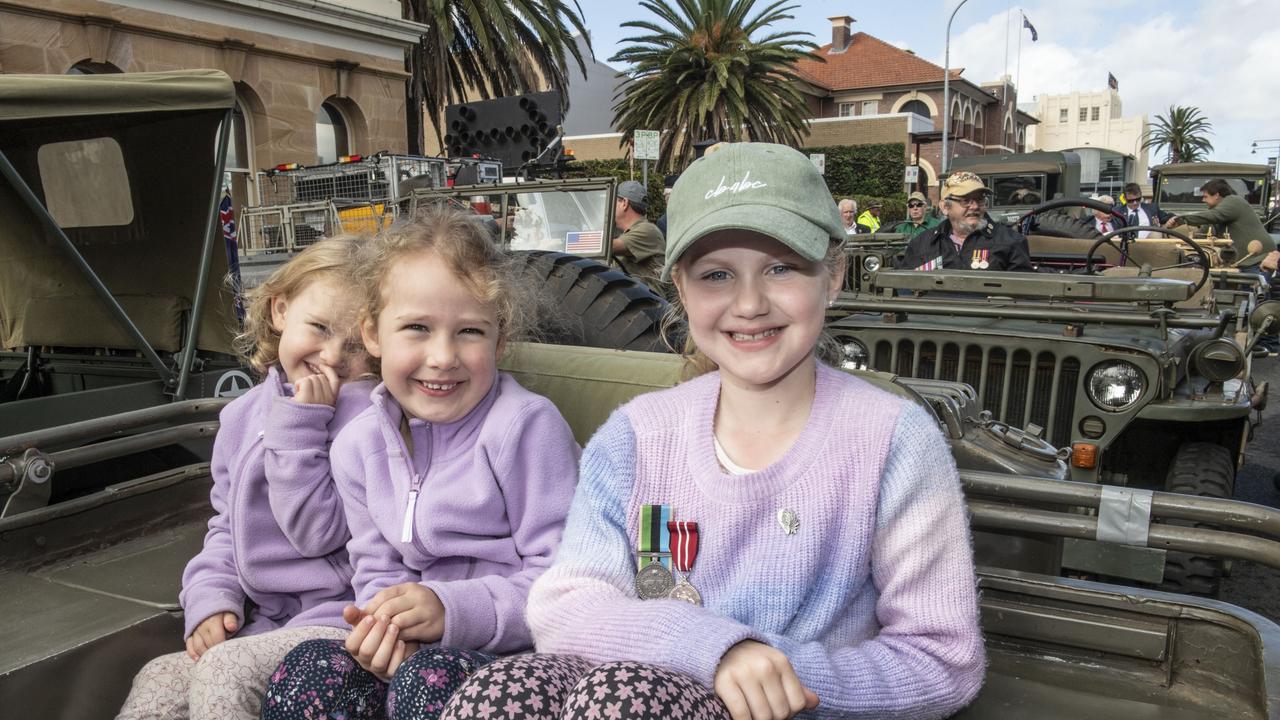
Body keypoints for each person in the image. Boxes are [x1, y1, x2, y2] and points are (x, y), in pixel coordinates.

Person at [437, 143, 985, 720]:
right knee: (496, 694)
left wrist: (777, 676)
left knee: (627, 698)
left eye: (782, 267)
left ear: (834, 274)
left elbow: (941, 659)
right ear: (680, 285)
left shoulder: (893, 441)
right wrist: (710, 651)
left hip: (787, 708)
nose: (749, 303)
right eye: (717, 275)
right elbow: (566, 604)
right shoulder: (634, 437)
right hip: (629, 690)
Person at [260, 207, 581, 720]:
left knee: (424, 684)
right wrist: (385, 629)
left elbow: (565, 577)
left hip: (511, 658)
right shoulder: (357, 445)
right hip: (414, 652)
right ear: (372, 335)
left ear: (500, 341)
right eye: (416, 328)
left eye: (470, 332)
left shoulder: (525, 428)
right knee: (310, 672)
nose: (442, 356)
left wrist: (449, 611)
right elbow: (374, 566)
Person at [116, 238, 376, 720]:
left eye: (358, 344)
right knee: (157, 679)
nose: (334, 357)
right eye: (318, 328)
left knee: (228, 671)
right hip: (264, 621)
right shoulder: (243, 415)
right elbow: (226, 528)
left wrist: (302, 427)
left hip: (341, 617)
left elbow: (320, 532)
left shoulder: (369, 419)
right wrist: (211, 599)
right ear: (280, 312)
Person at [898, 172, 1034, 272]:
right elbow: (905, 289)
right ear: (945, 207)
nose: (974, 206)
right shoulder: (922, 243)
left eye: (980, 200)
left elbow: (1021, 296)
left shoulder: (1011, 241)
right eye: (965, 201)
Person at [1165, 178, 1277, 268]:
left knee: (1253, 290)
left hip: (1258, 258)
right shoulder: (1216, 211)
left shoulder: (1233, 201)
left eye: (1205, 196)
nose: (1203, 200)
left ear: (1217, 195)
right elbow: (1202, 232)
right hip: (1243, 260)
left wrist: (1181, 220)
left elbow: (1214, 216)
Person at [612, 180, 666, 290]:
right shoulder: (627, 232)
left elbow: (608, 247)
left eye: (612, 202)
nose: (608, 207)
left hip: (648, 302)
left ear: (624, 203)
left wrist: (575, 240)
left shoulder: (647, 230)